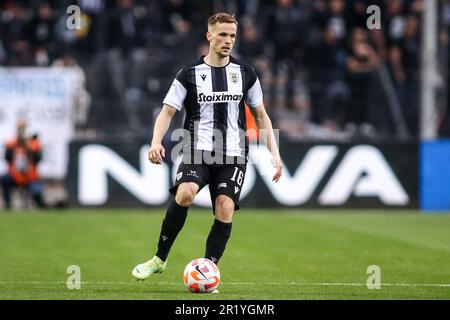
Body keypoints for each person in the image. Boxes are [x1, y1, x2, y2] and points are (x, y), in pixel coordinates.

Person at [131, 13, 282, 291]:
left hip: (233, 154)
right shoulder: (188, 74)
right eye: (223, 34)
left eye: (232, 36)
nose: (228, 41)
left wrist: (275, 153)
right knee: (185, 192)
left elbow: (260, 115)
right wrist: (156, 142)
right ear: (209, 36)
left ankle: (208, 269)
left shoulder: (246, 73)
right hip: (196, 148)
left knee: (224, 207)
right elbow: (167, 113)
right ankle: (159, 259)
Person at [1, 120, 45, 209]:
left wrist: (28, 147)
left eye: (23, 129)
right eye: (20, 129)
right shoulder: (12, 144)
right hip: (15, 176)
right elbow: (7, 158)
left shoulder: (34, 144)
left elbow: (38, 159)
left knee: (37, 191)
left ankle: (41, 207)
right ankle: (8, 204)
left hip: (30, 177)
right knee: (4, 179)